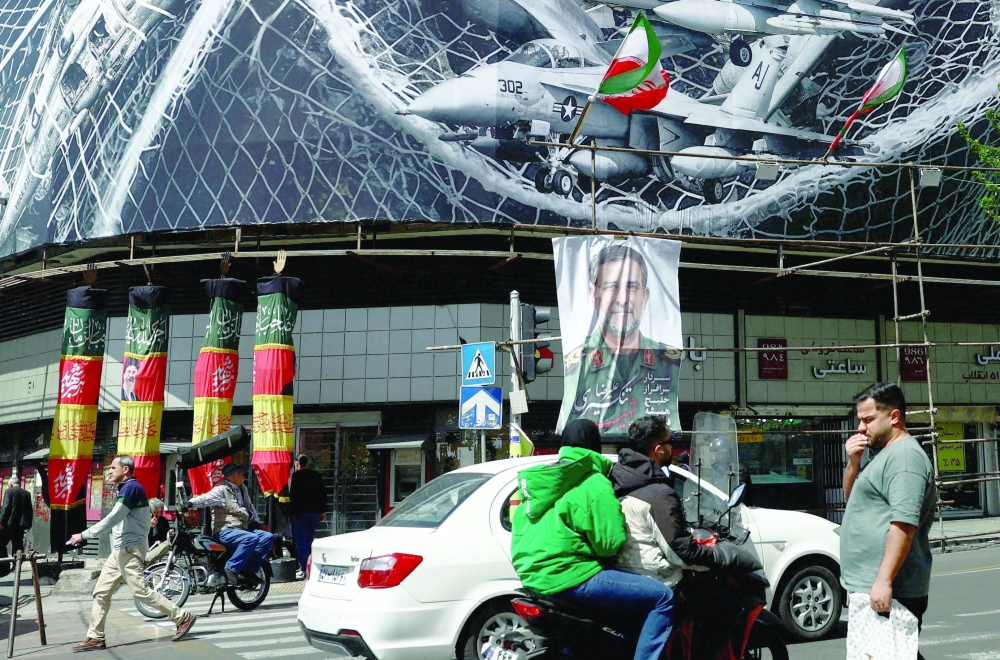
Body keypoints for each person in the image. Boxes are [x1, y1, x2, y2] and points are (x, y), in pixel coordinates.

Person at [511, 419, 674, 660]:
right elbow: (609, 543)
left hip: (532, 577)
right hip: (572, 577)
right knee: (662, 597)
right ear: (595, 445)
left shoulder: (541, 482)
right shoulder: (593, 482)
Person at [841, 382, 936, 660]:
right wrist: (853, 463)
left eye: (868, 419)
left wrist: (883, 580)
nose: (861, 428)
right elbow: (854, 502)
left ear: (894, 417)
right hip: (870, 585)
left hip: (893, 588)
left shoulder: (905, 457)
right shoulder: (882, 455)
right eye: (860, 419)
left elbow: (904, 523)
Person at [68, 456, 196, 651]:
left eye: (112, 468)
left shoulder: (131, 488)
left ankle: (182, 617)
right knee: (101, 592)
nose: (109, 471)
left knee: (141, 591)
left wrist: (84, 535)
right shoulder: (126, 488)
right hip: (119, 551)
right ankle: (95, 637)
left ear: (125, 469)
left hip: (129, 549)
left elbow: (113, 517)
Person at [559, 243, 682, 435]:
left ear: (645, 296)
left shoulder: (669, 364)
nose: (623, 299)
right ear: (594, 295)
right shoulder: (577, 365)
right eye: (612, 287)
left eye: (632, 287)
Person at [188, 463, 273, 585]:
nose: (244, 474)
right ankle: (231, 568)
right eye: (240, 472)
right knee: (251, 539)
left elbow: (250, 506)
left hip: (242, 530)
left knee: (267, 537)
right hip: (225, 531)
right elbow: (205, 499)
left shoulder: (242, 488)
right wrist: (190, 504)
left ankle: (248, 569)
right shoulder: (221, 489)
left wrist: (256, 520)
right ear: (233, 476)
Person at [288, 454, 328, 580]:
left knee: (301, 542)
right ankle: (312, 566)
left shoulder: (294, 477)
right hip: (313, 513)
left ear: (297, 464)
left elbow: (291, 496)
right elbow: (322, 494)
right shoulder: (316, 476)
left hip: (299, 513)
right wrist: (322, 511)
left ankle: (304, 567)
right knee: (309, 540)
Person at [0, 476, 33, 556]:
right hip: (21, 525)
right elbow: (29, 510)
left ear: (11, 484)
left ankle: (5, 565)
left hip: (9, 524)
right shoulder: (27, 494)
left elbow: (6, 507)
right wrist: (29, 524)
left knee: (1, 543)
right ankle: (17, 565)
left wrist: (1, 521)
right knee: (18, 546)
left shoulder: (9, 492)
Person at [146, 497, 171, 564]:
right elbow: (143, 537)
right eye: (155, 512)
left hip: (160, 548)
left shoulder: (163, 520)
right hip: (147, 549)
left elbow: (165, 536)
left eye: (159, 512)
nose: (158, 514)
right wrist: (151, 527)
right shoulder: (145, 520)